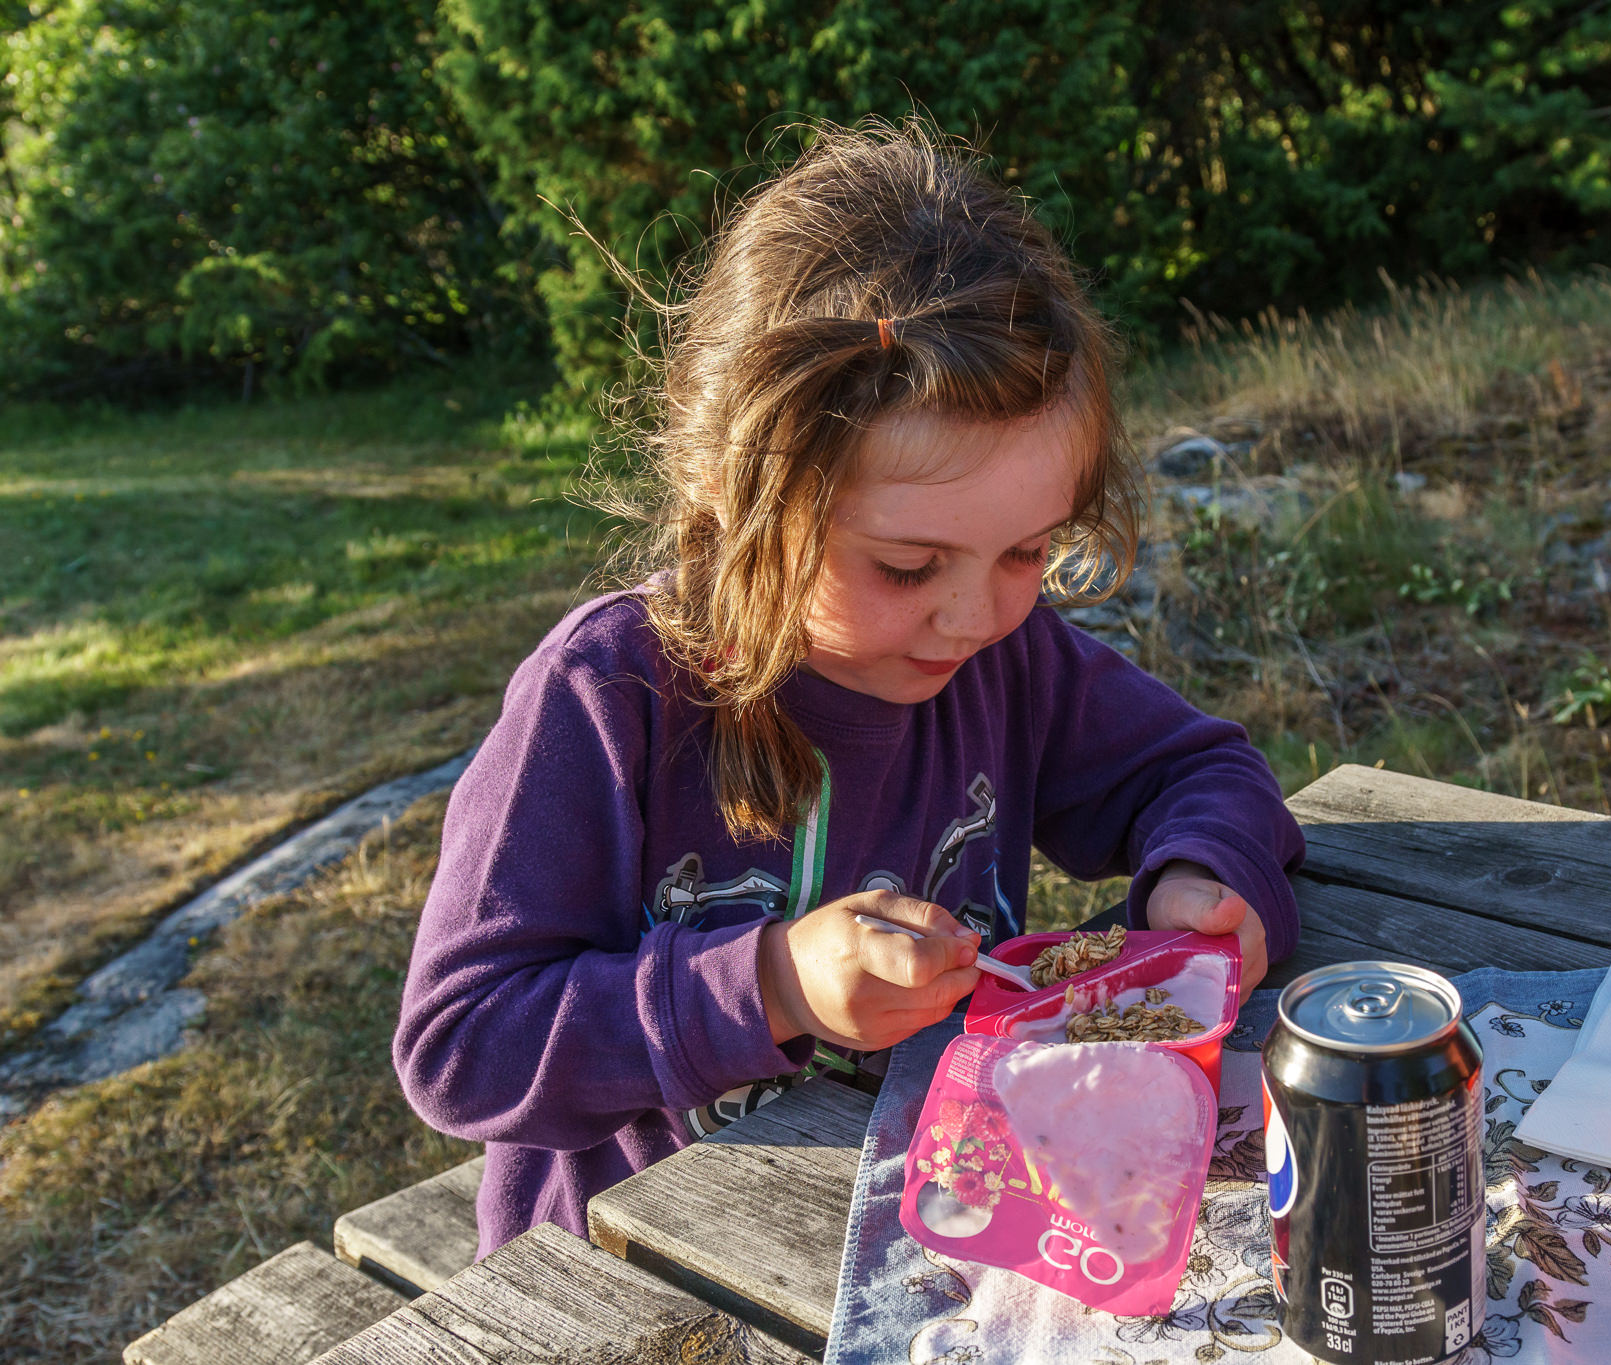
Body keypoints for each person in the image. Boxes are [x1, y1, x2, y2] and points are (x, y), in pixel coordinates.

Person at [393, 120, 1306, 1257]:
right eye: (908, 568)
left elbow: (1201, 769)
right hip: (639, 1273)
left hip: (933, 1233)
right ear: (737, 490)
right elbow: (461, 1046)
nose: (974, 615)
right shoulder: (608, 694)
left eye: (1027, 551)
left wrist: (1204, 881)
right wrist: (769, 987)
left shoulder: (1008, 663)